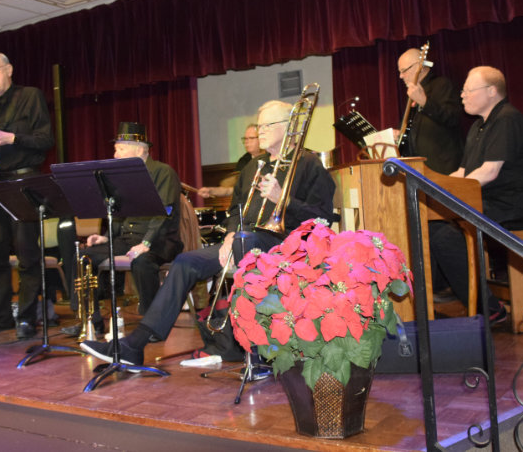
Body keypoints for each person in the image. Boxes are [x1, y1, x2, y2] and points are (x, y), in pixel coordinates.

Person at [81, 100, 338, 366]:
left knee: (245, 241)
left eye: (267, 125)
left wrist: (282, 199)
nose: (260, 131)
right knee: (186, 262)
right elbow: (236, 210)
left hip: (283, 245)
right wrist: (229, 236)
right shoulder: (254, 166)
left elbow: (322, 219)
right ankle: (136, 344)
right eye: (259, 125)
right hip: (242, 241)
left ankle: (246, 348)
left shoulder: (309, 164)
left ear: (288, 127)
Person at [429, 66, 523, 323]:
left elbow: (490, 172)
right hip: (487, 201)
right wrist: (431, 187)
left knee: (446, 236)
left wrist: (447, 193)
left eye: (468, 90)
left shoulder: (507, 119)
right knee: (431, 227)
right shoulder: (478, 127)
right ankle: (438, 296)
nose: (462, 96)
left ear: (491, 91)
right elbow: (463, 171)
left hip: (511, 204)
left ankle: (488, 308)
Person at [61, 122, 183, 337]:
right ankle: (90, 320)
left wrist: (146, 243)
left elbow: (165, 211)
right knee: (83, 257)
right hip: (127, 239)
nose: (115, 155)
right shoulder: (121, 177)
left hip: (160, 239)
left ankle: (153, 324)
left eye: (120, 149)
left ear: (140, 149)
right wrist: (106, 238)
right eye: (116, 149)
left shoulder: (163, 172)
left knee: (142, 262)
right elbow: (118, 213)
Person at [0, 51, 54, 339]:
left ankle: (27, 318)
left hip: (25, 179)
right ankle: (1, 316)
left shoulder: (31, 96)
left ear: (9, 70)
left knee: (27, 254)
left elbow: (46, 140)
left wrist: (11, 138)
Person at [396, 48, 464, 175]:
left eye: (404, 70)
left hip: (443, 167)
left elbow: (452, 118)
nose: (401, 76)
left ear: (419, 66)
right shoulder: (412, 94)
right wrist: (400, 133)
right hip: (420, 169)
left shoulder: (442, 84)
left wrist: (424, 102)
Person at [198, 124, 265, 199]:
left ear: (261, 138)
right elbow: (232, 190)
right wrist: (211, 191)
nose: (247, 142)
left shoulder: (270, 158)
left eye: (251, 138)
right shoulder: (244, 161)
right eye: (245, 139)